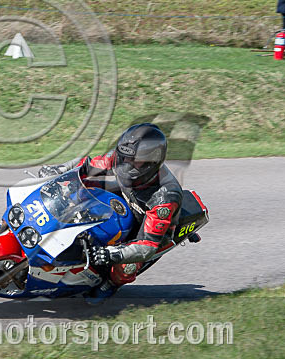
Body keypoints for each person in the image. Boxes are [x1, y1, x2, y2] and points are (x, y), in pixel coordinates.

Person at [38, 123, 185, 303]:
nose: (125, 163)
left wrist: (110, 254)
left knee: (126, 267)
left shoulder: (165, 196)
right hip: (124, 199)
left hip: (147, 229)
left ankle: (111, 284)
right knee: (81, 190)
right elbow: (88, 165)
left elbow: (147, 245)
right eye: (124, 158)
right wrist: (59, 170)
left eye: (133, 161)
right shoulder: (122, 158)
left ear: (150, 161)